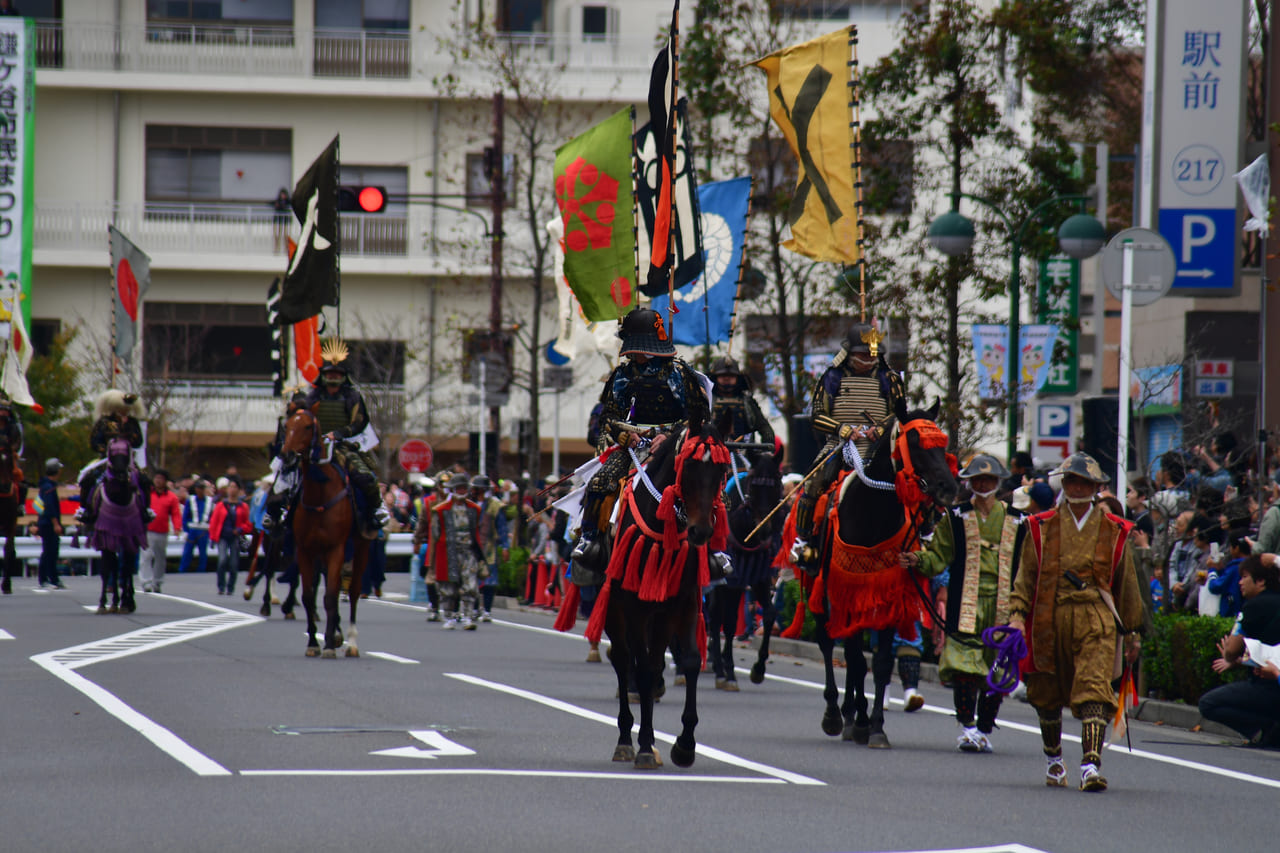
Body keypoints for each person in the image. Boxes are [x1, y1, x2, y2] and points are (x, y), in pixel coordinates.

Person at [1007, 452, 1145, 792]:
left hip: (1095, 617)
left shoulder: (1114, 531)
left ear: (1097, 488)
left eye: (1086, 482)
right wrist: (1015, 617)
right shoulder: (1040, 527)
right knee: (1046, 691)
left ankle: (1090, 765)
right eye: (1072, 480)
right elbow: (1024, 578)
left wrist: (1133, 631)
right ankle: (1055, 760)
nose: (1079, 486)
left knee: (1093, 688)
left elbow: (1127, 583)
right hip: (1047, 617)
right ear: (1064, 484)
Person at [902, 454, 1027, 752]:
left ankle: (985, 729)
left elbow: (1028, 569)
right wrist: (917, 559)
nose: (983, 484)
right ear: (969, 483)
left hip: (1003, 606)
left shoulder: (1018, 520)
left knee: (999, 669)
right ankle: (968, 727)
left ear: (998, 483)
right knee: (964, 668)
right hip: (965, 604)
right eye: (977, 479)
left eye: (988, 479)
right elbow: (938, 557)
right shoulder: (954, 517)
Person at [570, 306, 710, 571]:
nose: (628, 349)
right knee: (600, 482)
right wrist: (624, 435)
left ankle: (715, 551)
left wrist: (669, 437)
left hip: (676, 445)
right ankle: (591, 540)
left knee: (709, 487)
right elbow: (607, 417)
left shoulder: (681, 375)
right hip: (633, 445)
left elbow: (700, 417)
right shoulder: (622, 375)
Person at [791, 321, 905, 570]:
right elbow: (817, 414)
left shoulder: (890, 378)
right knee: (813, 483)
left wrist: (882, 428)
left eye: (872, 354)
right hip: (840, 444)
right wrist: (841, 429)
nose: (868, 358)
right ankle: (804, 541)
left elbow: (899, 412)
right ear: (851, 353)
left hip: (879, 447)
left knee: (913, 481)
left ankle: (924, 534)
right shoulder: (832, 377)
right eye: (863, 353)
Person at [302, 347, 388, 537]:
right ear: (323, 376)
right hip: (312, 446)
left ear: (343, 376)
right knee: (285, 475)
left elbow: (360, 421)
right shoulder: (312, 396)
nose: (332, 377)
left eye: (336, 374)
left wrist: (338, 434)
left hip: (341, 446)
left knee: (365, 476)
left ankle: (375, 510)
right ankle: (278, 514)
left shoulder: (352, 396)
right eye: (329, 374)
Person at [1198, 553, 1280, 747]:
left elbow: (1231, 650)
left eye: (1244, 577)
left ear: (1260, 581)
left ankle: (1264, 728)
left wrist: (1229, 654)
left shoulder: (1252, 607)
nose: (1240, 583)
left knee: (1208, 704)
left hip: (1268, 684)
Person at [76, 390, 146, 524]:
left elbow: (139, 442)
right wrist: (107, 449)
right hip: (107, 459)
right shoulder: (104, 422)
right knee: (88, 479)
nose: (124, 411)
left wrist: (128, 433)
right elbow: (94, 442)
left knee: (144, 480)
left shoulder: (132, 422)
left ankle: (145, 509)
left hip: (128, 460)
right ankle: (85, 509)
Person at [426, 472, 484, 629]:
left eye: (463, 488)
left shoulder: (475, 509)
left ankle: (468, 617)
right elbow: (435, 534)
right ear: (452, 490)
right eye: (458, 488)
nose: (461, 491)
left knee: (470, 585)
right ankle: (449, 616)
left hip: (468, 551)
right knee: (447, 586)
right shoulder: (440, 510)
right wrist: (432, 559)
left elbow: (477, 531)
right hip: (447, 551)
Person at [709, 355, 774, 453]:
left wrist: (766, 450)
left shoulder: (747, 401)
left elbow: (763, 426)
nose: (727, 378)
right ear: (715, 378)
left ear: (737, 378)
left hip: (744, 452)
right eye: (722, 376)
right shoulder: (708, 400)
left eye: (731, 376)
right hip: (713, 452)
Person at [140, 468, 182, 594]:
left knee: (160, 558)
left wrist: (177, 527)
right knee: (146, 556)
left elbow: (175, 513)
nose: (158, 481)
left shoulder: (171, 497)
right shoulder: (147, 494)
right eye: (156, 478)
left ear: (165, 481)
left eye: (161, 479)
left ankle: (157, 581)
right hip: (148, 529)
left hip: (162, 531)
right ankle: (146, 581)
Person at [209, 476, 251, 595]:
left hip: (235, 537)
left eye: (234, 487)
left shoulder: (243, 507)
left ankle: (230, 586)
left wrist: (241, 528)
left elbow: (248, 524)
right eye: (230, 487)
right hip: (222, 536)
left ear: (239, 490)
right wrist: (212, 537)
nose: (232, 489)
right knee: (222, 560)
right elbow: (214, 522)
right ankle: (221, 586)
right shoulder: (221, 505)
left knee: (233, 564)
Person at [471, 474, 504, 622]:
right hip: (471, 546)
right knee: (472, 579)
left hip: (489, 546)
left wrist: (505, 546)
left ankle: (487, 610)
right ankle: (475, 608)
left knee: (490, 580)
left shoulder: (494, 505)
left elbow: (501, 526)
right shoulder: (468, 504)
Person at [35, 458, 66, 589]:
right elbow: (49, 506)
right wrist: (56, 523)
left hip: (44, 522)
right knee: (50, 551)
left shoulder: (46, 485)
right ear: (56, 471)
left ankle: (50, 578)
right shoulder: (48, 487)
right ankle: (47, 579)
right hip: (48, 524)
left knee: (50, 551)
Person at [179, 479, 214, 573]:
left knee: (203, 552)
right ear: (195, 489)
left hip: (204, 530)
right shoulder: (190, 500)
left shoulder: (210, 501)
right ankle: (183, 569)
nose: (200, 491)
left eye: (202, 488)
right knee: (187, 551)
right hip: (192, 529)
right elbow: (185, 516)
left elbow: (212, 516)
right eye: (198, 488)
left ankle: (201, 570)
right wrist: (186, 529)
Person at [272, 187, 291, 251]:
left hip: (285, 221)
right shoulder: (278, 201)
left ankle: (286, 249)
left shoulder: (288, 201)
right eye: (282, 194)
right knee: (277, 234)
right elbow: (275, 206)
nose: (283, 196)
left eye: (284, 194)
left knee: (286, 235)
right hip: (278, 221)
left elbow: (289, 207)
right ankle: (276, 248)